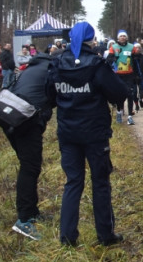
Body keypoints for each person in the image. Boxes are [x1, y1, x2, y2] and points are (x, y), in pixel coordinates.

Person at [47, 21, 129, 247]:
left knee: (73, 182)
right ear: (91, 40)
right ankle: (105, 234)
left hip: (68, 133)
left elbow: (48, 95)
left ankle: (67, 237)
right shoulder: (96, 63)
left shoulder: (57, 63)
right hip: (95, 133)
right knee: (100, 181)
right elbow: (119, 93)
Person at [2, 49, 54, 241]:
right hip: (23, 117)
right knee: (30, 167)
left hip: (6, 112)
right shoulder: (51, 69)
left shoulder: (34, 67)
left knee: (29, 165)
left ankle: (31, 212)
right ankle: (24, 220)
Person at [108, 30, 138, 125]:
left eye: (124, 36)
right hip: (117, 74)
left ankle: (129, 116)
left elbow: (137, 59)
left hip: (129, 74)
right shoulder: (114, 47)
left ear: (126, 37)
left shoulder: (132, 47)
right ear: (118, 38)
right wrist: (113, 59)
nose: (122, 38)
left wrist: (136, 59)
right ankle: (119, 112)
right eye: (121, 36)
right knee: (120, 95)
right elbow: (108, 60)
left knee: (130, 94)